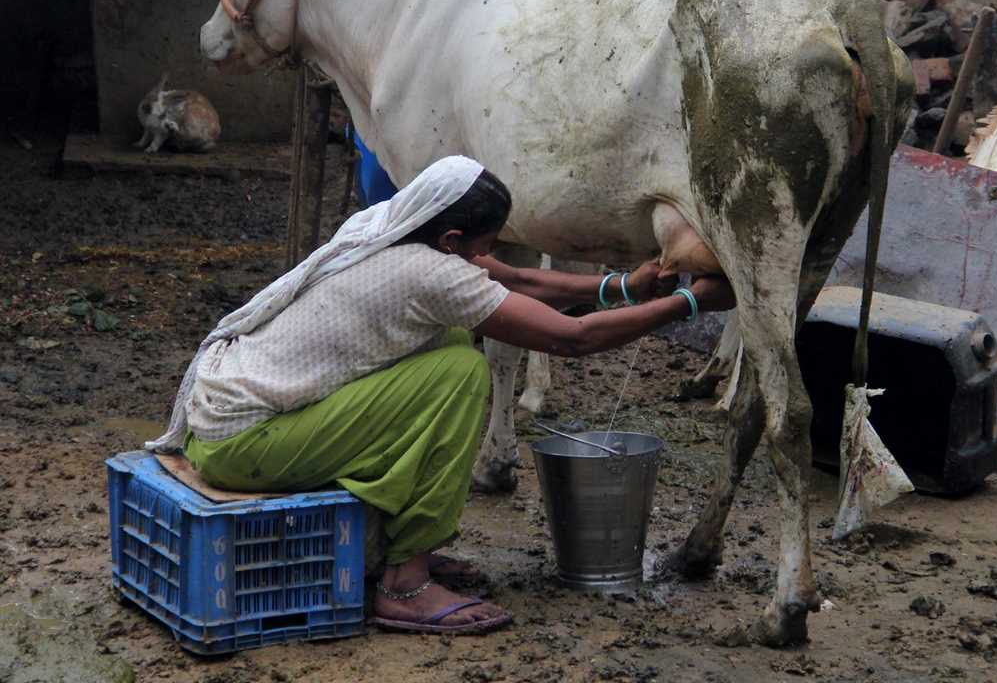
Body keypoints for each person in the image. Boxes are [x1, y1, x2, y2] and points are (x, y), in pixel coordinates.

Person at [147, 155, 734, 636]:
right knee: (459, 371)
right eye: (482, 246)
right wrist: (689, 304)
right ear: (452, 238)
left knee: (450, 339)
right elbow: (572, 339)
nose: (486, 258)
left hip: (221, 418)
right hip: (245, 445)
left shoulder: (385, 225)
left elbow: (517, 280)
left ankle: (393, 545)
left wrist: (618, 287)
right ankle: (405, 584)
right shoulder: (431, 275)